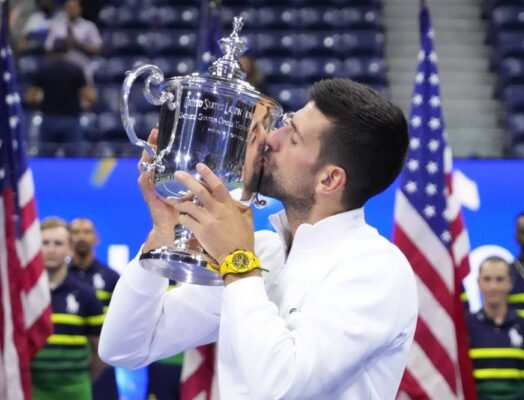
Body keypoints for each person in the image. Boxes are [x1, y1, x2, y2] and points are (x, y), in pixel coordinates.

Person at [99, 78, 418, 399]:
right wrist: (163, 234)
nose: (267, 137)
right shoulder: (263, 251)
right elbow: (126, 347)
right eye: (284, 123)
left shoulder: (377, 269)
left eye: (292, 137)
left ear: (329, 179)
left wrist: (238, 261)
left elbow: (281, 388)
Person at [31, 217, 106, 400]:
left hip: (76, 391)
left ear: (70, 248)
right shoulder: (24, 295)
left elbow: (101, 352)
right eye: (45, 243)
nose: (51, 249)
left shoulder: (86, 295)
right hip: (31, 392)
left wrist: (80, 380)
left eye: (58, 243)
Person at [467, 256, 524, 400]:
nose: (493, 287)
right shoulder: (467, 327)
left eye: (500, 279)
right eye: (487, 279)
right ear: (478, 283)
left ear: (510, 283)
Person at [68, 217, 120, 400]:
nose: (81, 236)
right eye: (75, 232)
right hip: (68, 363)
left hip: (103, 361)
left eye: (87, 232)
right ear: (68, 239)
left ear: (96, 238)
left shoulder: (111, 278)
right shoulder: (58, 279)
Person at [26, 38, 96, 156]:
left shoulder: (43, 69)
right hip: (71, 120)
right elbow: (90, 97)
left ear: (52, 51)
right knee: (73, 162)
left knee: (46, 160)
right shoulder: (76, 69)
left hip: (49, 119)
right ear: (68, 52)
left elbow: (30, 97)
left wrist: (44, 101)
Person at [44, 0, 102, 83]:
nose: (72, 10)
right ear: (65, 9)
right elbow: (48, 48)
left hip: (83, 71)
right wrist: (61, 46)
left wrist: (79, 45)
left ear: (80, 9)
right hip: (61, 73)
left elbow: (97, 49)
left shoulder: (89, 26)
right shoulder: (57, 26)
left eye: (74, 7)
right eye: (69, 7)